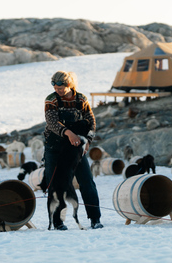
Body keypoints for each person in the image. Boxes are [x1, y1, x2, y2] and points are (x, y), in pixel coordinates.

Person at [43, 70, 103, 230]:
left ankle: (95, 218)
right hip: (54, 147)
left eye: (60, 88)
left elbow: (91, 121)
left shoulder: (81, 99)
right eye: (55, 88)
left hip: (75, 148)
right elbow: (52, 122)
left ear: (69, 85)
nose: (58, 91)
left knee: (87, 182)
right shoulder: (51, 100)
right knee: (55, 184)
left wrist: (88, 141)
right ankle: (57, 222)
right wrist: (68, 133)